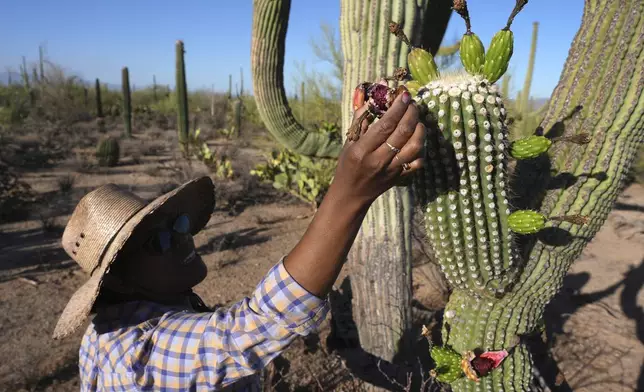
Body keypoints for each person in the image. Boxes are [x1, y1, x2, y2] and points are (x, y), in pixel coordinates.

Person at [52, 90, 425, 391]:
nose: (183, 238)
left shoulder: (107, 329)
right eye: (158, 242)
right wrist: (351, 192)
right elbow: (250, 328)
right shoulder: (141, 353)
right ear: (117, 279)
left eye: (178, 223)